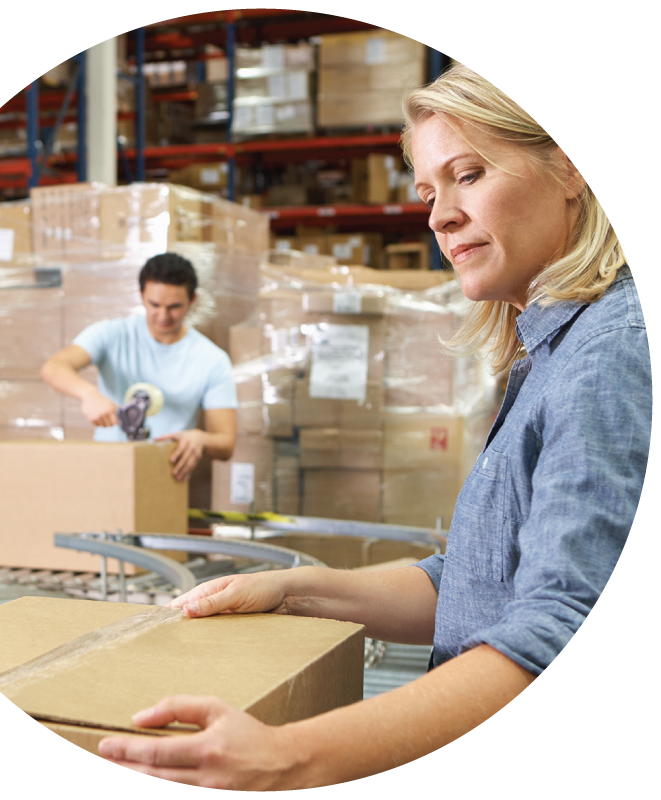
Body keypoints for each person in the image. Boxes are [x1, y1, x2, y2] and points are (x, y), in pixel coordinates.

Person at [95, 65, 650, 788]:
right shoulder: (549, 350)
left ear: (569, 167)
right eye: (428, 192)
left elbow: (557, 630)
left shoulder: (611, 351)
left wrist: (288, 758)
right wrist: (299, 587)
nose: (439, 216)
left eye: (469, 174)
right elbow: (477, 581)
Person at [39, 252, 237, 481]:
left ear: (193, 300)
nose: (163, 316)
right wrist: (89, 394)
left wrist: (200, 439)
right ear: (141, 295)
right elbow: (53, 368)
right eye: (154, 304)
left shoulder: (212, 360)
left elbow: (225, 443)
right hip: (104, 473)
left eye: (174, 307)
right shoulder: (111, 334)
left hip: (164, 478)